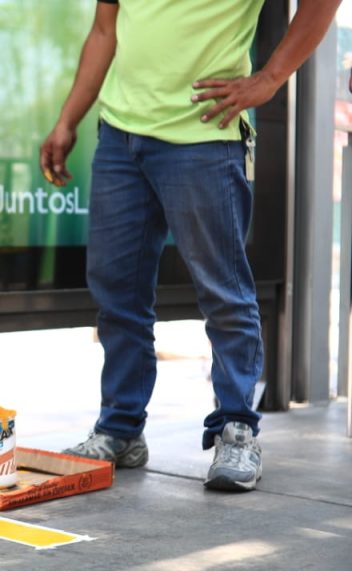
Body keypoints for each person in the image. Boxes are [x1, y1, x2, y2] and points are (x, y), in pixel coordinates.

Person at [39, 0, 342, 492]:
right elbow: (104, 28)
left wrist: (269, 78)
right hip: (120, 135)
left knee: (223, 292)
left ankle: (236, 429)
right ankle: (120, 429)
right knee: (117, 293)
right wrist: (68, 119)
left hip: (205, 136)